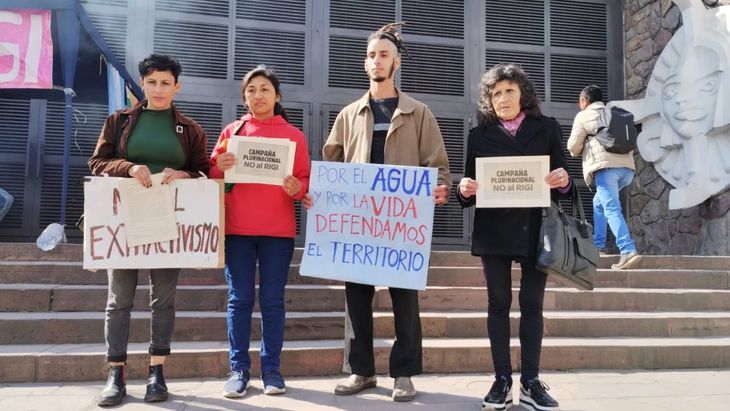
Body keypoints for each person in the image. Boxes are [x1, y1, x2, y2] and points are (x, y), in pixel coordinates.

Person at [304, 22, 451, 402]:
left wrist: (440, 188)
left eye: (383, 54)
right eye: (371, 55)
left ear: (396, 62)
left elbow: (438, 164)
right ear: (365, 64)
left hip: (401, 225)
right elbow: (331, 161)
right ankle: (362, 371)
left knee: (406, 300)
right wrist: (324, 194)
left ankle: (404, 374)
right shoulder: (350, 114)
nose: (376, 60)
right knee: (356, 300)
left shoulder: (419, 113)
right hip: (359, 225)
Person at [88, 53, 210, 406]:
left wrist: (184, 174)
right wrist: (127, 167)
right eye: (152, 82)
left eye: (166, 83)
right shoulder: (120, 120)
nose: (159, 89)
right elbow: (97, 162)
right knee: (119, 301)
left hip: (169, 222)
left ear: (177, 87)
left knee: (163, 301)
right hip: (125, 221)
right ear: (142, 84)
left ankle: (157, 372)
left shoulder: (190, 129)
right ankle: (116, 373)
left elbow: (204, 172)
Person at [457, 63, 569, 411]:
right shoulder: (478, 135)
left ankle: (531, 382)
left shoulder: (547, 128)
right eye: (495, 93)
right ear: (489, 100)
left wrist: (563, 179)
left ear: (523, 93)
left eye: (509, 91)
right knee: (499, 302)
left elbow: (565, 182)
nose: (502, 98)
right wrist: (464, 189)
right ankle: (502, 379)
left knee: (533, 305)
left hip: (536, 230)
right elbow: (467, 190)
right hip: (494, 232)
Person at [209, 65, 311, 399]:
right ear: (244, 96)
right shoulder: (231, 132)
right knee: (239, 300)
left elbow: (305, 184)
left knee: (271, 301)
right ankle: (238, 369)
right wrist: (217, 168)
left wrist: (296, 187)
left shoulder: (293, 136)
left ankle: (272, 371)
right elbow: (212, 177)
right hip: (237, 230)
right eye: (251, 89)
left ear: (277, 96)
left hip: (277, 233)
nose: (258, 95)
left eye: (265, 88)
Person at [567, 85, 639, 270]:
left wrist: (582, 147)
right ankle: (598, 246)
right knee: (599, 203)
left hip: (606, 169)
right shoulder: (614, 113)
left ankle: (627, 249)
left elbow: (573, 146)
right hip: (627, 170)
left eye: (579, 101)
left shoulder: (583, 115)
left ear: (584, 101)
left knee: (611, 208)